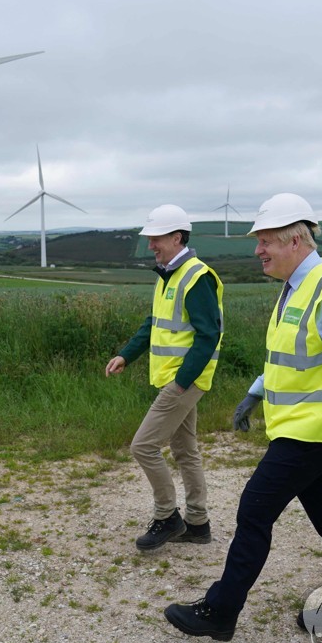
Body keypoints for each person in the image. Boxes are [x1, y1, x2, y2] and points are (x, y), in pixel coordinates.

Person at [164, 192, 322, 641]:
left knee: (254, 510)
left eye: (266, 241)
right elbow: (290, 357)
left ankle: (220, 612)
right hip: (299, 429)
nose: (258, 250)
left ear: (296, 240)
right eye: (259, 241)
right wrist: (256, 392)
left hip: (313, 435)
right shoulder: (296, 287)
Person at [105, 204, 225, 551]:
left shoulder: (196, 276)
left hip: (183, 380)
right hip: (174, 378)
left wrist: (184, 381)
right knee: (185, 450)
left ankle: (166, 517)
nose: (150, 245)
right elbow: (153, 323)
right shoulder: (169, 274)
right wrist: (126, 354)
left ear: (177, 237)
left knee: (143, 446)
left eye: (156, 238)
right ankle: (198, 524)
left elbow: (208, 335)